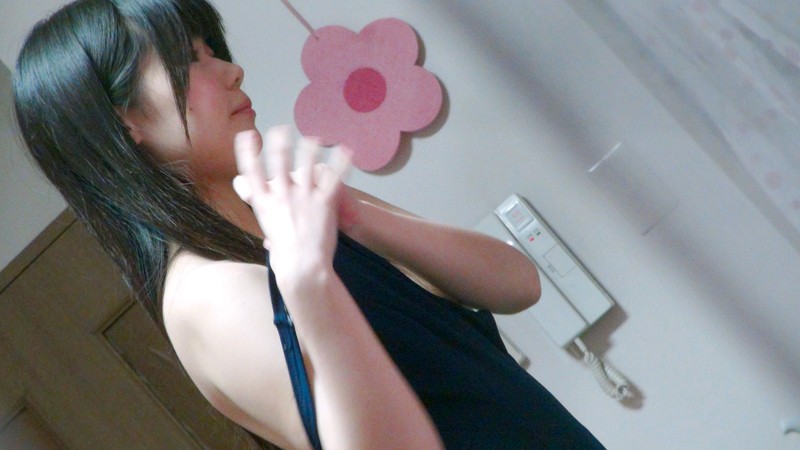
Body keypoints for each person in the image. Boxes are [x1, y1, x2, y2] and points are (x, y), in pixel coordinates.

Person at [13, 0, 605, 448]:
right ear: (125, 122)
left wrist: (357, 219)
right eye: (191, 61)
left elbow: (518, 283)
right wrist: (309, 287)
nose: (232, 71)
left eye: (212, 49)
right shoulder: (211, 296)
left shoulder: (290, 215)